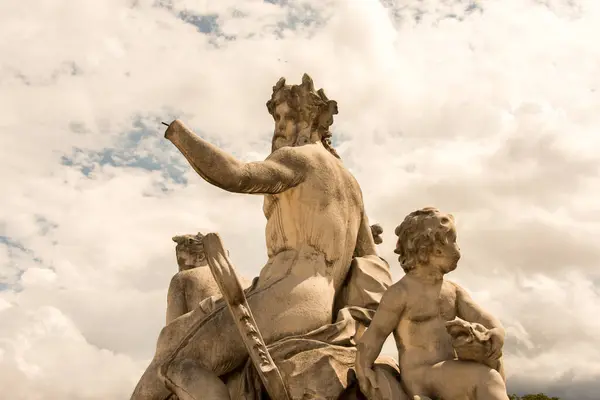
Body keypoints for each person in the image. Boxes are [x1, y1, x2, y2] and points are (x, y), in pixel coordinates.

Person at [130, 74, 381, 400]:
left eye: (287, 117)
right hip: (320, 305)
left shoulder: (298, 159)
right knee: (174, 335)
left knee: (176, 364)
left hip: (284, 294)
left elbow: (236, 175)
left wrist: (179, 134)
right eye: (276, 118)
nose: (279, 126)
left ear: (307, 119)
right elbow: (371, 263)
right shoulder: (352, 185)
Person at [355, 207, 509, 400]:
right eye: (453, 241)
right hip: (420, 376)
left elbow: (479, 315)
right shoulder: (401, 293)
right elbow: (376, 333)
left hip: (448, 369)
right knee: (487, 379)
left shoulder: (453, 290)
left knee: (494, 363)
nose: (458, 247)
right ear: (434, 249)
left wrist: (496, 330)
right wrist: (364, 369)